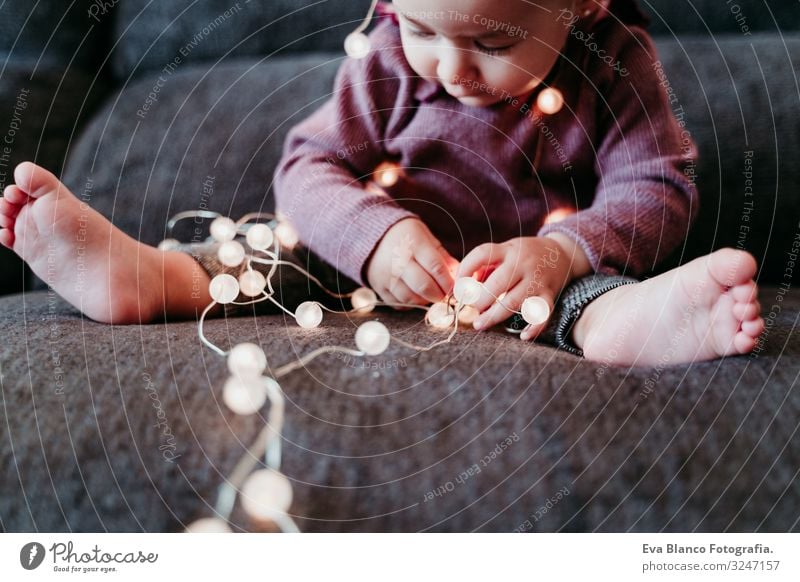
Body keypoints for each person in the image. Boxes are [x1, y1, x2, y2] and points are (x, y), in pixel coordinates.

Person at [0, 0, 764, 367]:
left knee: (575, 300)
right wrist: (374, 236)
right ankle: (148, 276)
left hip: (524, 277)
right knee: (273, 255)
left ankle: (632, 325)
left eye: (493, 42)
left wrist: (564, 250)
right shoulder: (389, 60)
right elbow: (308, 165)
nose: (452, 68)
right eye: (423, 29)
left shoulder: (611, 62)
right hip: (367, 271)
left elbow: (657, 183)